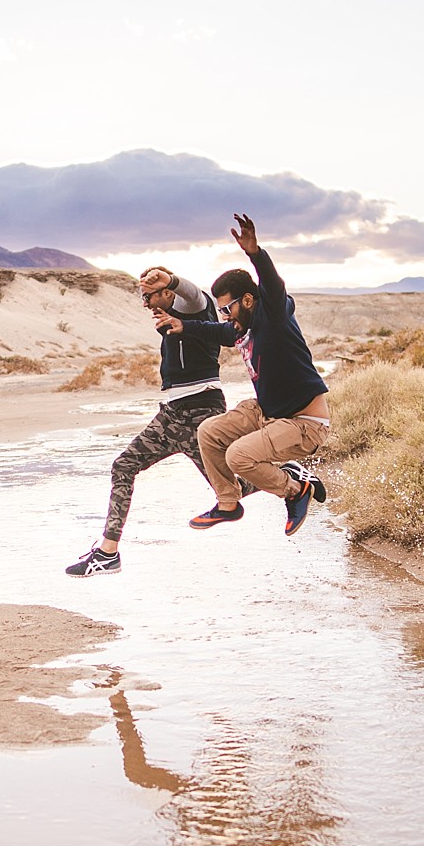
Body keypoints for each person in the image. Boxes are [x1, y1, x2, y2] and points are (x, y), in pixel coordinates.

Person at [158, 214, 329, 536]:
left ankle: (295, 489)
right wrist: (185, 326)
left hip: (304, 424)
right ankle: (228, 503)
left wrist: (255, 254)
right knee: (208, 431)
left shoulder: (273, 316)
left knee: (239, 456)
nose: (225, 316)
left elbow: (273, 287)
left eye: (228, 308)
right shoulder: (243, 328)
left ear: (248, 300)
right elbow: (219, 331)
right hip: (267, 413)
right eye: (221, 310)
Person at [66, 267, 231, 577]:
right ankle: (107, 553)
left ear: (168, 293)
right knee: (124, 466)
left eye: (149, 296)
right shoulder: (170, 320)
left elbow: (195, 295)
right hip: (172, 415)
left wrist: (172, 281)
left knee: (234, 489)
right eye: (143, 298)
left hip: (199, 412)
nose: (145, 304)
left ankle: (292, 480)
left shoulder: (194, 309)